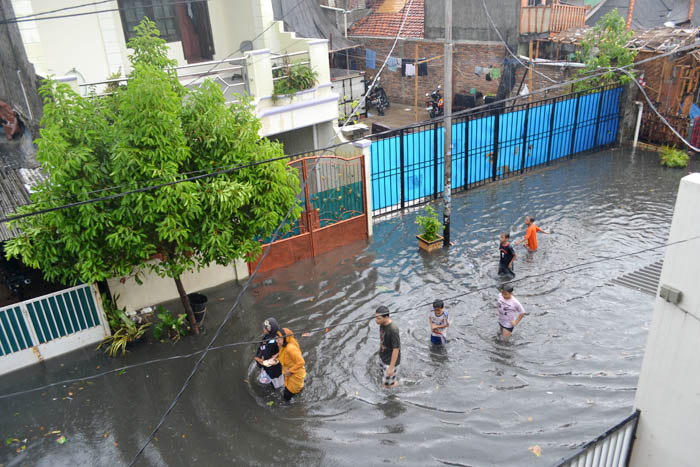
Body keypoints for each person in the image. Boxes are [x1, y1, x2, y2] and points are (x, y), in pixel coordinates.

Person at [275, 328, 306, 401]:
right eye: (276, 339)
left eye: (278, 339)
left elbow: (301, 362)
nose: (276, 341)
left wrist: (290, 371)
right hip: (291, 373)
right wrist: (277, 355)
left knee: (286, 396)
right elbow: (284, 353)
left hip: (294, 375)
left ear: (285, 338)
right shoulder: (286, 344)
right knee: (292, 390)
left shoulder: (290, 348)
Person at [254, 318, 284, 389]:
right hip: (267, 365)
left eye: (264, 328)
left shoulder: (273, 342)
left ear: (269, 330)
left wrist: (259, 359)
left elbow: (267, 356)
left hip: (273, 368)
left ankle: (279, 388)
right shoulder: (267, 336)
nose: (263, 329)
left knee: (276, 382)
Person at [375, 306, 401, 388]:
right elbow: (382, 339)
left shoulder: (393, 330)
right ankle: (391, 380)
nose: (376, 320)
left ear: (386, 317)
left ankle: (395, 384)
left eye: (378, 318)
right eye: (375, 317)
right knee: (382, 379)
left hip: (390, 361)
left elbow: (396, 349)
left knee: (386, 386)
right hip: (383, 356)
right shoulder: (382, 323)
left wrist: (391, 367)